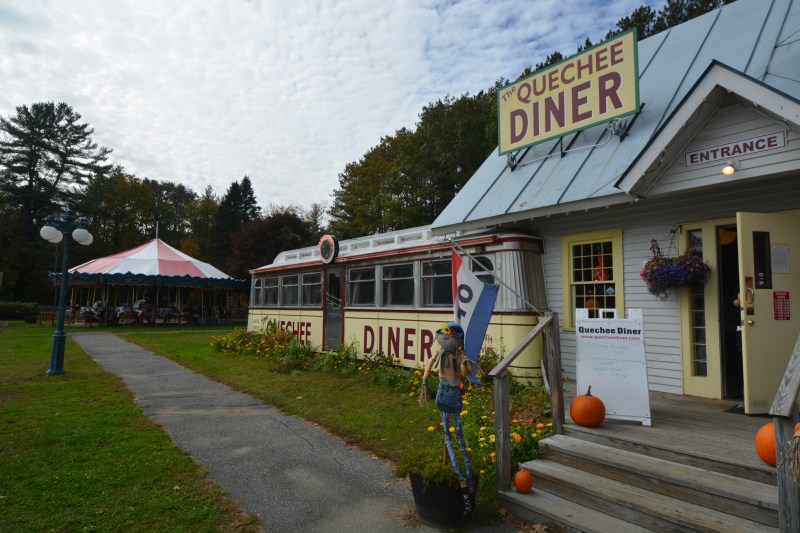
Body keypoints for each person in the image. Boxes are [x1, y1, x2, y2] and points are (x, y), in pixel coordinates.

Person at [420, 322, 476, 515]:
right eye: (444, 335)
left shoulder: (459, 354)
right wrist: (424, 383)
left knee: (458, 436)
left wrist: (465, 362)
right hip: (442, 392)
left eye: (450, 335)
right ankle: (462, 478)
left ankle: (467, 477)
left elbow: (465, 371)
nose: (446, 338)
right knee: (448, 435)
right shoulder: (440, 352)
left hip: (453, 393)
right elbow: (430, 363)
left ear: (456, 338)